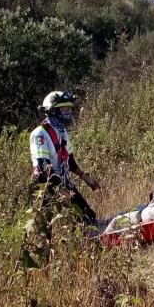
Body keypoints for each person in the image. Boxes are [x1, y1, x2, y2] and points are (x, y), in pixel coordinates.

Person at [30, 91, 101, 226]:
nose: (68, 112)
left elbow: (70, 161)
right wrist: (63, 192)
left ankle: (87, 242)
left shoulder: (62, 131)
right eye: (64, 109)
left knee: (87, 216)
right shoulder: (40, 134)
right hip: (46, 187)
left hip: (63, 181)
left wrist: (85, 177)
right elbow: (43, 169)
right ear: (53, 111)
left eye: (68, 108)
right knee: (46, 226)